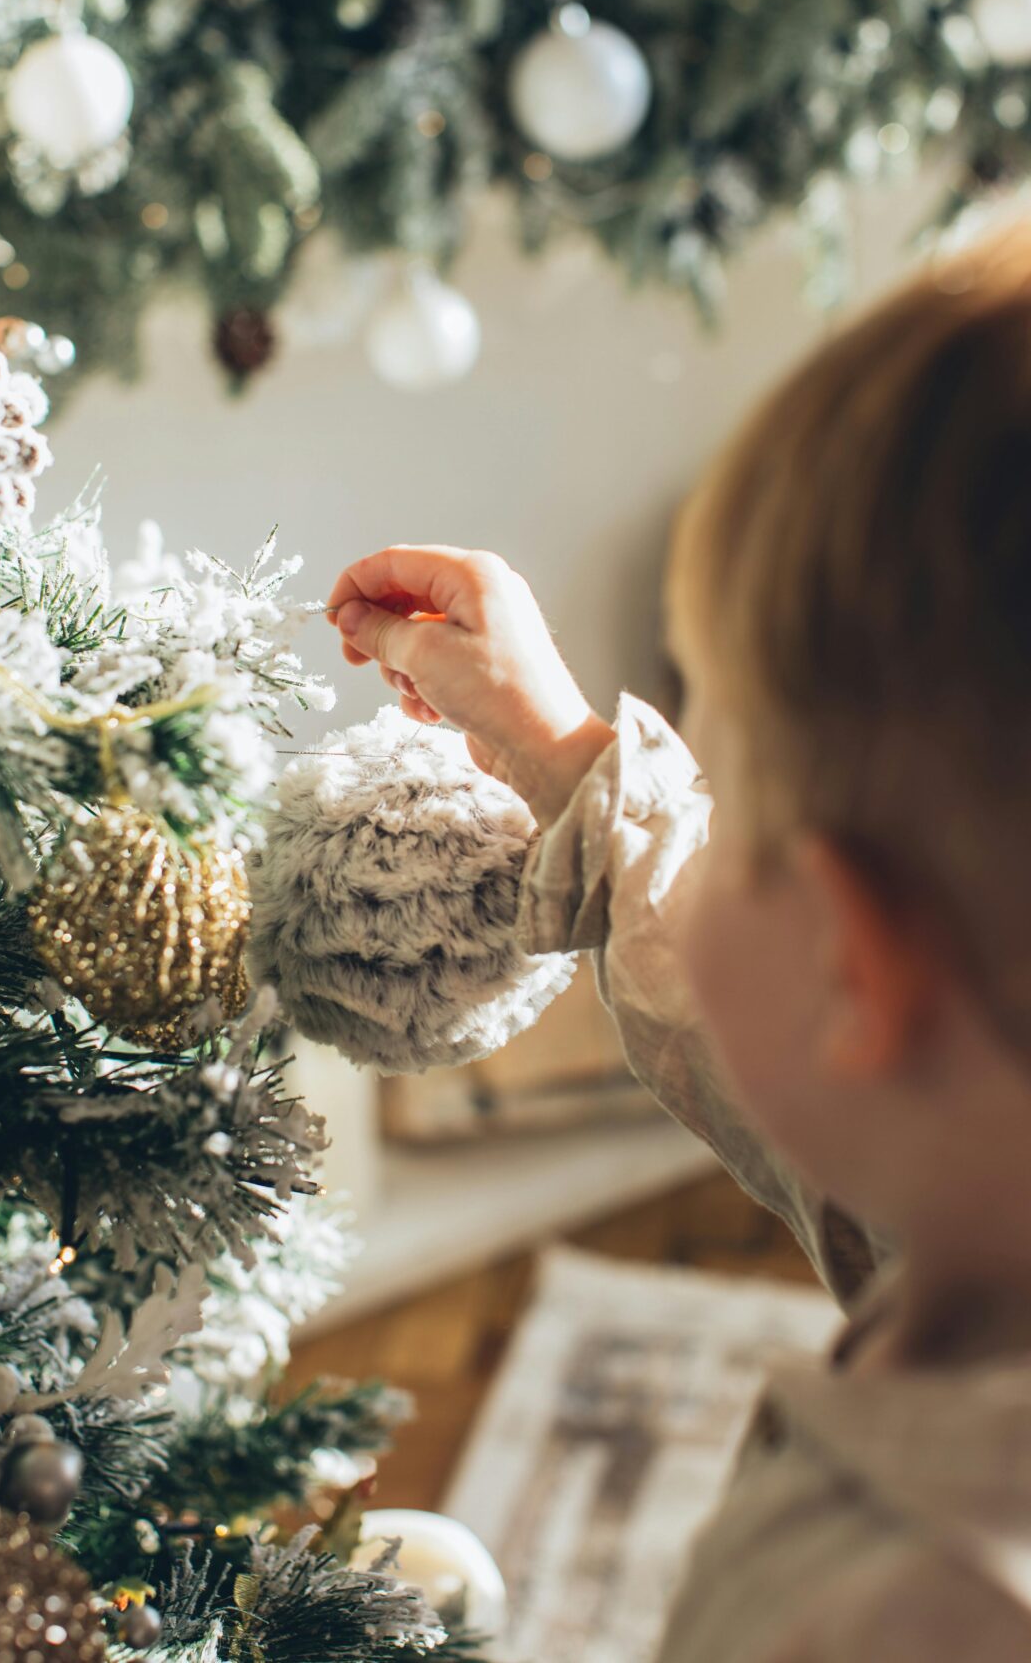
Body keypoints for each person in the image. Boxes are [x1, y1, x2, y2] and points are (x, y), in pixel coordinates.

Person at [325, 224, 1031, 1660]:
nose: (704, 807)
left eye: (729, 783)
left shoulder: (893, 1613)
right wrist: (569, 760)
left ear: (854, 964)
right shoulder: (977, 1191)